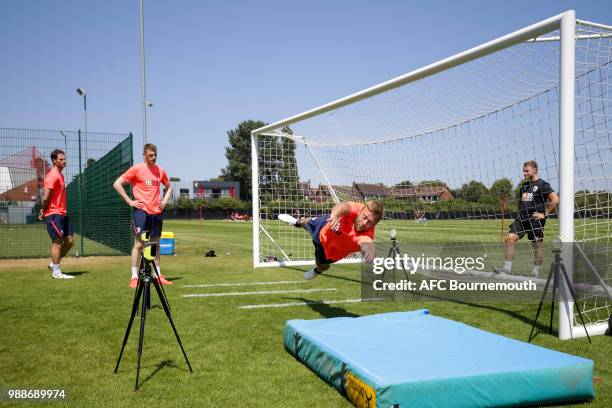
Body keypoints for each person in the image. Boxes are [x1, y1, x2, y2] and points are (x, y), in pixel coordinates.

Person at [113, 143, 173, 288]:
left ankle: (158, 275)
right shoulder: (137, 169)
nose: (153, 158)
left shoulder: (160, 170)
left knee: (155, 244)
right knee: (139, 244)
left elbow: (169, 186)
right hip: (142, 211)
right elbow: (117, 184)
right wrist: (129, 201)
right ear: (144, 155)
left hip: (156, 212)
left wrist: (164, 200)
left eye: (155, 155)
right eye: (151, 155)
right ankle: (134, 276)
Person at [278, 200, 384, 280]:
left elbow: (367, 243)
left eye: (370, 222)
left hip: (331, 252)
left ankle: (317, 270)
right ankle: (296, 222)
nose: (365, 223)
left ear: (375, 224)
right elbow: (343, 206)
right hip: (324, 227)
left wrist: (371, 252)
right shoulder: (357, 208)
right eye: (364, 217)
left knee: (322, 266)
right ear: (360, 211)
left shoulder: (366, 236)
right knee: (306, 222)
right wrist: (335, 216)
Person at [501, 160, 559, 277]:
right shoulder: (524, 185)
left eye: (526, 171)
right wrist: (519, 213)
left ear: (534, 170)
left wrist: (544, 214)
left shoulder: (543, 185)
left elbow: (555, 200)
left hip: (536, 221)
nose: (524, 173)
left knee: (536, 246)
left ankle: (535, 272)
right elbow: (520, 201)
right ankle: (507, 270)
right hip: (522, 219)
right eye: (523, 171)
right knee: (510, 238)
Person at [38, 149, 75, 279]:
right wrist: (44, 210)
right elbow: (46, 197)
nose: (64, 161)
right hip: (54, 214)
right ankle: (56, 272)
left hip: (62, 213)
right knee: (57, 242)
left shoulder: (60, 175)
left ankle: (54, 264)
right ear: (54, 161)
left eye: (64, 159)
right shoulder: (52, 175)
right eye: (61, 159)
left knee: (70, 241)